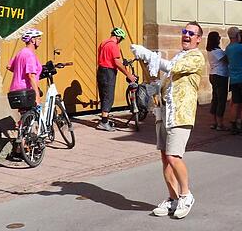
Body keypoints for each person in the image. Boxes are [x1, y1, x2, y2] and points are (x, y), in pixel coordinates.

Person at [131, 22, 205, 219]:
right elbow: (169, 79)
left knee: (174, 156)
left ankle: (186, 195)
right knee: (165, 157)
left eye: (191, 33)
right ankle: (172, 198)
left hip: (180, 114)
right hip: (165, 113)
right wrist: (157, 86)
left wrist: (148, 54)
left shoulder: (196, 57)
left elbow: (173, 67)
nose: (186, 35)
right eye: (184, 32)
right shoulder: (179, 54)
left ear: (198, 38)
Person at [6, 28, 44, 161]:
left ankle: (18, 150)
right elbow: (31, 76)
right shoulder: (30, 54)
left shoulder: (20, 52)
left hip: (15, 89)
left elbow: (9, 67)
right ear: (32, 40)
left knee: (24, 119)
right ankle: (23, 149)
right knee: (31, 119)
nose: (40, 40)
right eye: (38, 38)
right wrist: (37, 96)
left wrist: (19, 74)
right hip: (26, 91)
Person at [96, 27, 136, 132]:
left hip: (100, 70)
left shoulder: (103, 43)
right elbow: (117, 63)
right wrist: (128, 75)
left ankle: (105, 119)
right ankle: (104, 122)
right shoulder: (114, 46)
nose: (120, 41)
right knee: (109, 97)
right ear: (118, 37)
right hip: (109, 72)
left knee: (103, 95)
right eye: (121, 39)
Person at [206, 31, 229, 131]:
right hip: (220, 75)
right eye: (218, 37)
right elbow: (226, 60)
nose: (220, 39)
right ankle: (220, 123)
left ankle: (214, 121)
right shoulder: (217, 51)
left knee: (215, 98)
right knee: (221, 99)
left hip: (213, 74)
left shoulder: (210, 50)